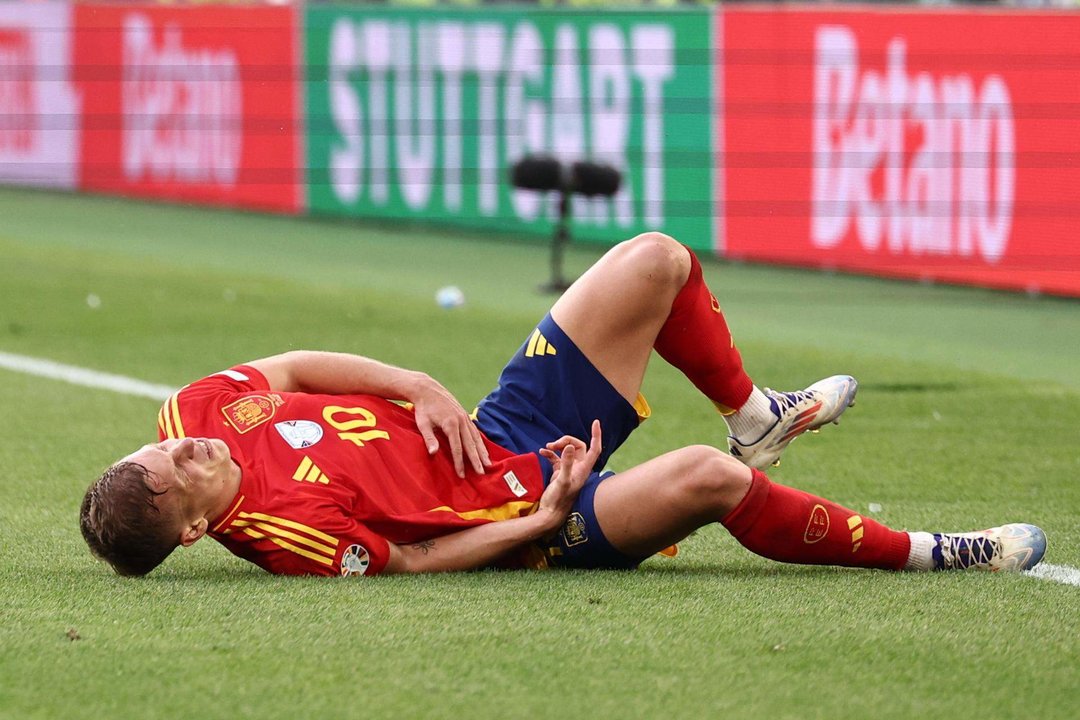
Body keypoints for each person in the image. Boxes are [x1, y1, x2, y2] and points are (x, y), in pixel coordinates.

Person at [79, 233, 1046, 578]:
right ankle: (936, 551)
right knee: (711, 480)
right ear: (197, 529)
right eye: (174, 480)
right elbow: (412, 559)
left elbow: (288, 366)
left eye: (156, 456)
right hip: (536, 513)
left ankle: (756, 409)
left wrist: (415, 383)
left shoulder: (192, 413)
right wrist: (535, 520)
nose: (181, 456)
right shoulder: (286, 539)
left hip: (505, 426)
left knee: (654, 261)